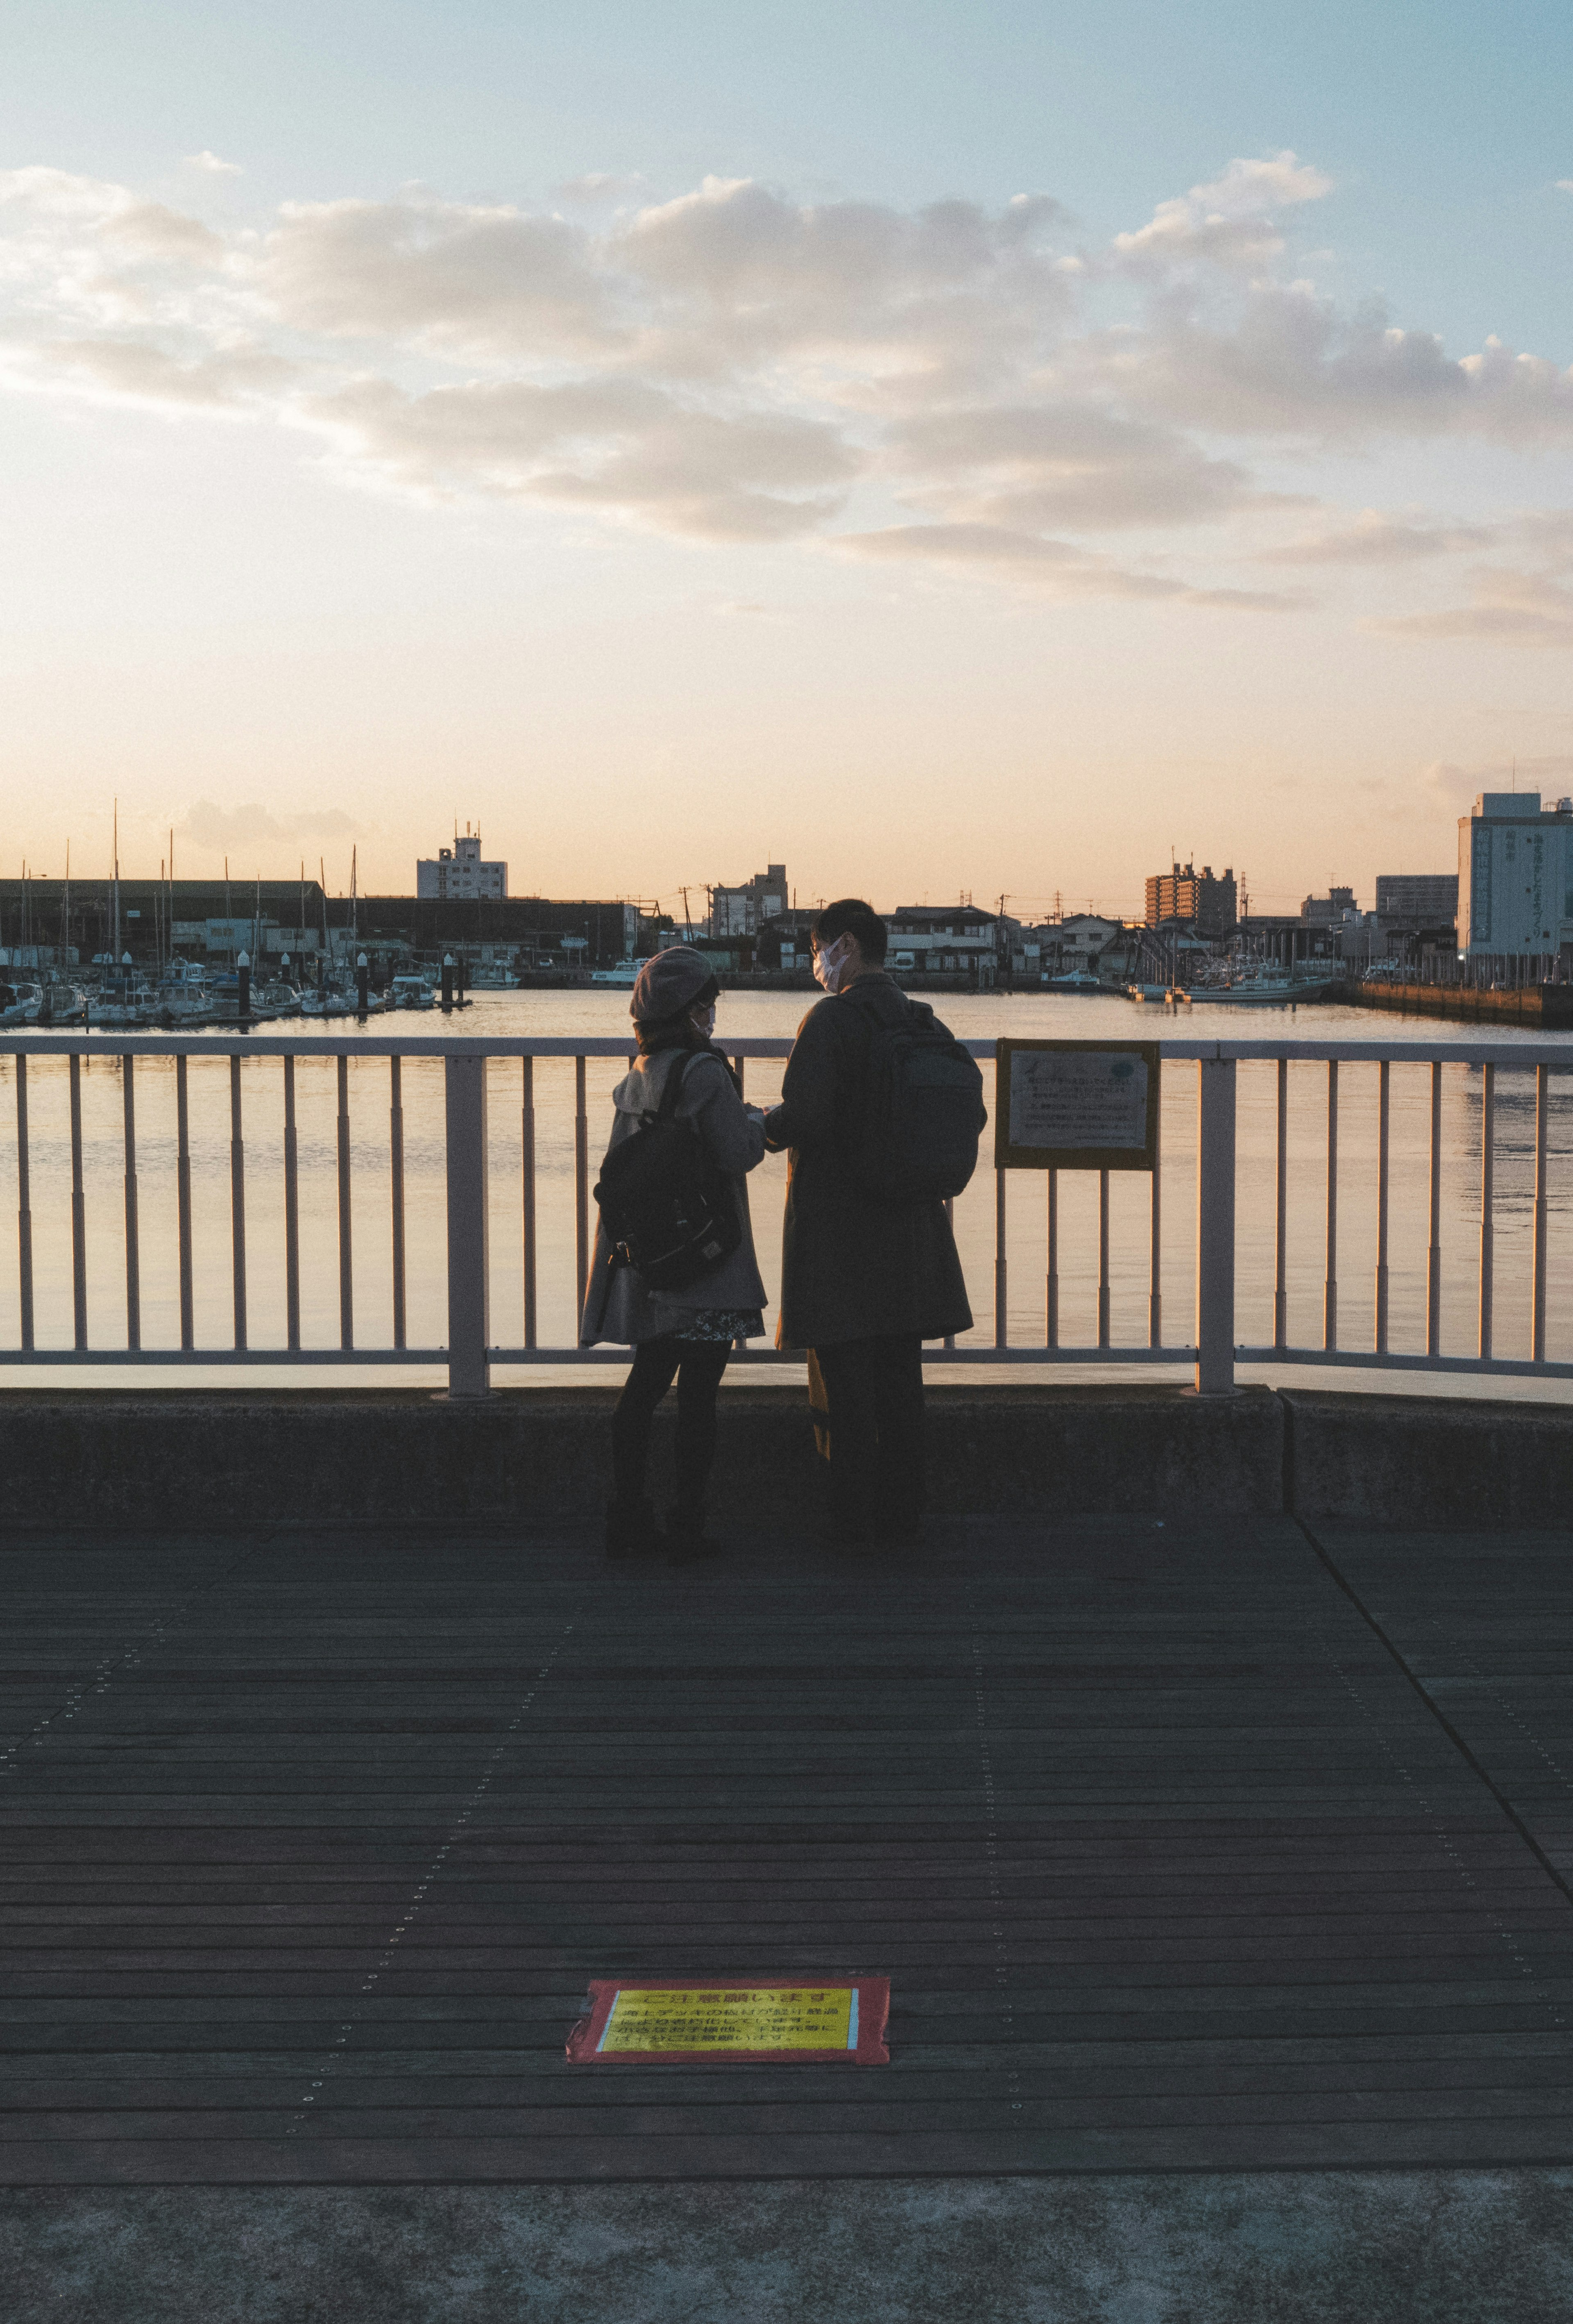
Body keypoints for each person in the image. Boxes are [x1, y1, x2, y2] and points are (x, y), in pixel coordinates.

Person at [762, 899, 979, 1547]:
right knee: (899, 1380)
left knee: (845, 1383)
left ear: (847, 946)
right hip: (911, 1229)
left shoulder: (832, 1020)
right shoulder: (922, 1021)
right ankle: (902, 1517)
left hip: (839, 1232)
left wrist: (757, 1125)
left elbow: (803, 1116)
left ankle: (853, 1522)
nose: (816, 966)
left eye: (817, 952)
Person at [580, 944, 769, 1563]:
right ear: (692, 1013)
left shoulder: (639, 1071)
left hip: (652, 1260)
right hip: (704, 1263)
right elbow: (738, 1153)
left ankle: (626, 1515)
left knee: (645, 1385)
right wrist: (757, 1120)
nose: (712, 1017)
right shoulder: (705, 1073)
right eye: (708, 1007)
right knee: (699, 1397)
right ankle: (687, 1523)